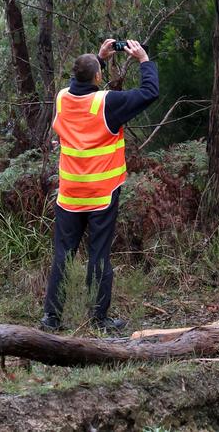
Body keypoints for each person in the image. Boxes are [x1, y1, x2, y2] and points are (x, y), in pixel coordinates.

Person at [41, 38, 159, 333]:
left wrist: (98, 58)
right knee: (99, 254)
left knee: (63, 254)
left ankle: (51, 318)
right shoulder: (107, 102)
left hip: (69, 193)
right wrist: (144, 60)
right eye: (98, 70)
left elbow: (77, 83)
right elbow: (149, 92)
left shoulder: (61, 98)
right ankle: (99, 319)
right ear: (98, 77)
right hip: (102, 194)